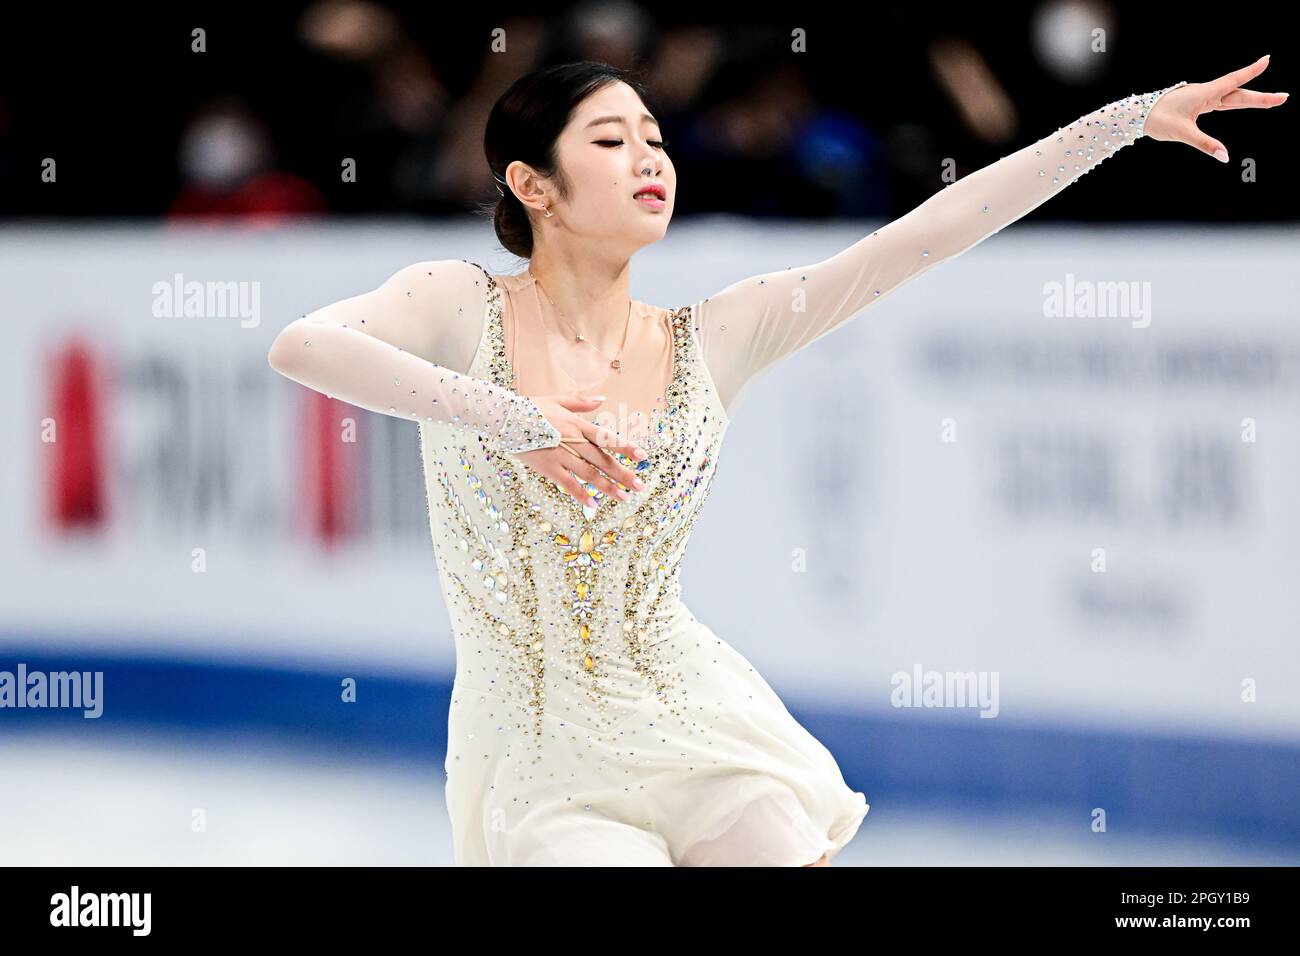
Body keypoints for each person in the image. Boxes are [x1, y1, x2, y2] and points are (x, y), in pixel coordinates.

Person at [267, 57, 1285, 866]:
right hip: (539, 758)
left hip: (692, 714)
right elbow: (304, 345)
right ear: (533, 183)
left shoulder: (718, 331)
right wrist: (511, 414)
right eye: (612, 140)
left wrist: (1120, 121)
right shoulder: (456, 301)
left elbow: (924, 236)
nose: (648, 158)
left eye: (656, 139)